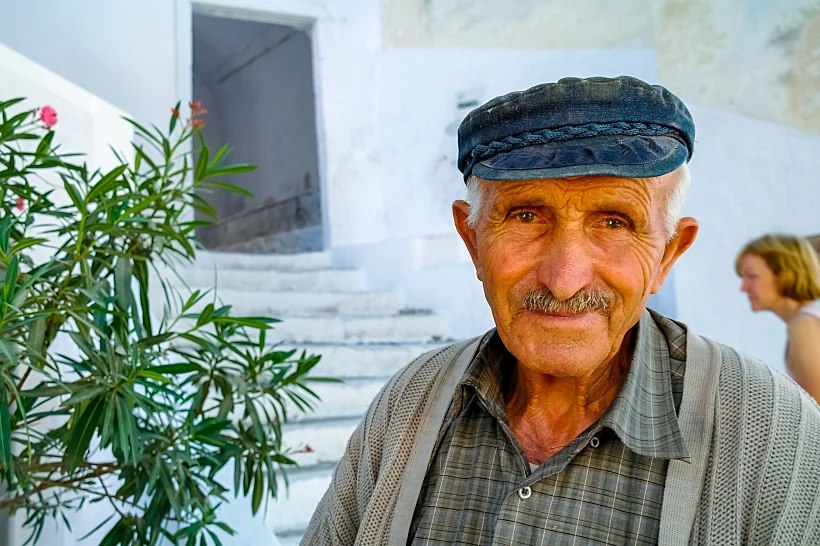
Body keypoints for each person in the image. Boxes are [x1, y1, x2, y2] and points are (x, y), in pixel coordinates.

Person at [303, 77, 820, 545]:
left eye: (614, 222)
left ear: (667, 254)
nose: (565, 279)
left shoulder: (774, 434)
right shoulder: (410, 403)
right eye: (526, 215)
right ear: (472, 241)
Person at [736, 234, 820, 399]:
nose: (743, 288)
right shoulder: (805, 321)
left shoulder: (803, 326)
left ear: (785, 274)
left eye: (752, 276)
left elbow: (816, 410)